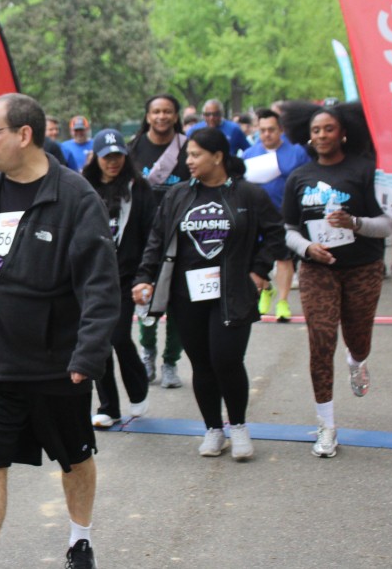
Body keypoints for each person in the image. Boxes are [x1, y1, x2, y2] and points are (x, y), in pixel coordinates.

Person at [0, 93, 118, 569]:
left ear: (24, 135)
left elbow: (100, 285)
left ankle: (79, 541)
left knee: (75, 458)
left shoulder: (75, 196)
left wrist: (88, 353)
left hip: (57, 364)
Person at [132, 127, 283, 461]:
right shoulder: (178, 195)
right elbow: (157, 239)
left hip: (233, 293)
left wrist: (259, 271)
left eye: (195, 154)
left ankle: (238, 426)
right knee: (201, 364)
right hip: (187, 295)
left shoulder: (248, 194)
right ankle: (213, 429)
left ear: (218, 157)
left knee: (227, 360)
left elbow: (275, 233)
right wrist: (144, 277)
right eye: (187, 154)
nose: (189, 161)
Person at [282, 104, 391, 459]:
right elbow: (288, 230)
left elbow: (387, 225)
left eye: (329, 129)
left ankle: (357, 361)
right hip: (318, 271)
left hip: (363, 268)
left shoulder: (365, 170)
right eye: (316, 130)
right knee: (321, 341)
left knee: (358, 339)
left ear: (343, 133)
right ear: (308, 136)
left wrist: (354, 223)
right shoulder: (299, 177)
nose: (322, 135)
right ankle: (326, 425)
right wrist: (307, 248)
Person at [81, 129, 151, 427]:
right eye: (107, 157)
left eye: (118, 156)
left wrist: (146, 275)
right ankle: (108, 407)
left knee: (119, 337)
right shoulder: (84, 188)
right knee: (99, 343)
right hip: (92, 278)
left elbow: (150, 233)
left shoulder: (139, 188)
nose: (113, 162)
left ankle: (138, 387)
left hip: (126, 277)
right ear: (96, 158)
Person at [127, 94, 190, 388]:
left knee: (178, 304)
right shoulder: (134, 147)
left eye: (167, 111)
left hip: (180, 236)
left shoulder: (188, 147)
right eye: (156, 111)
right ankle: (148, 352)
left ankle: (170, 362)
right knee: (145, 299)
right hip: (142, 237)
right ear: (148, 115)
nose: (162, 116)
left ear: (176, 116)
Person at [242, 109, 311, 322]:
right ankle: (266, 290)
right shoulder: (249, 154)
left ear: (281, 130)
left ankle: (282, 301)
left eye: (271, 130)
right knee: (257, 258)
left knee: (283, 257)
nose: (267, 134)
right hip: (256, 215)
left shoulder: (297, 152)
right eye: (262, 130)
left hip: (285, 214)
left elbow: (307, 179)